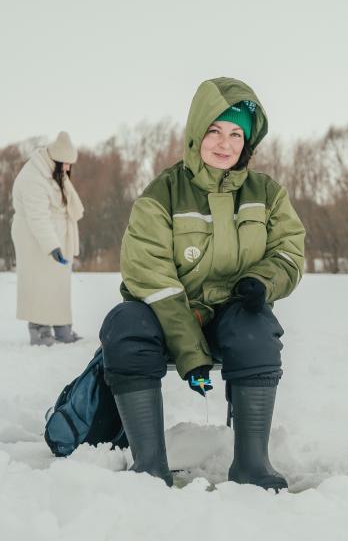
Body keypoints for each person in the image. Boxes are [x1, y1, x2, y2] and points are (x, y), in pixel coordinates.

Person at [99, 77, 305, 489]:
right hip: (169, 313)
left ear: (247, 142)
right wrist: (191, 353)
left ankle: (252, 465)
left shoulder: (267, 192)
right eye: (214, 130)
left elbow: (288, 251)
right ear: (196, 133)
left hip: (232, 311)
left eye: (235, 134)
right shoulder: (163, 193)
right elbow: (149, 274)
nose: (224, 143)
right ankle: (150, 468)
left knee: (257, 328)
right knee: (124, 325)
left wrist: (261, 283)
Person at [11, 132, 84, 346]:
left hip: (57, 234)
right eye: (67, 164)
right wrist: (52, 246)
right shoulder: (33, 177)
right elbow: (37, 218)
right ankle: (40, 330)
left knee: (59, 284)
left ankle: (62, 328)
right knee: (38, 283)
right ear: (57, 159)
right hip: (34, 238)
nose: (69, 169)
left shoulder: (53, 171)